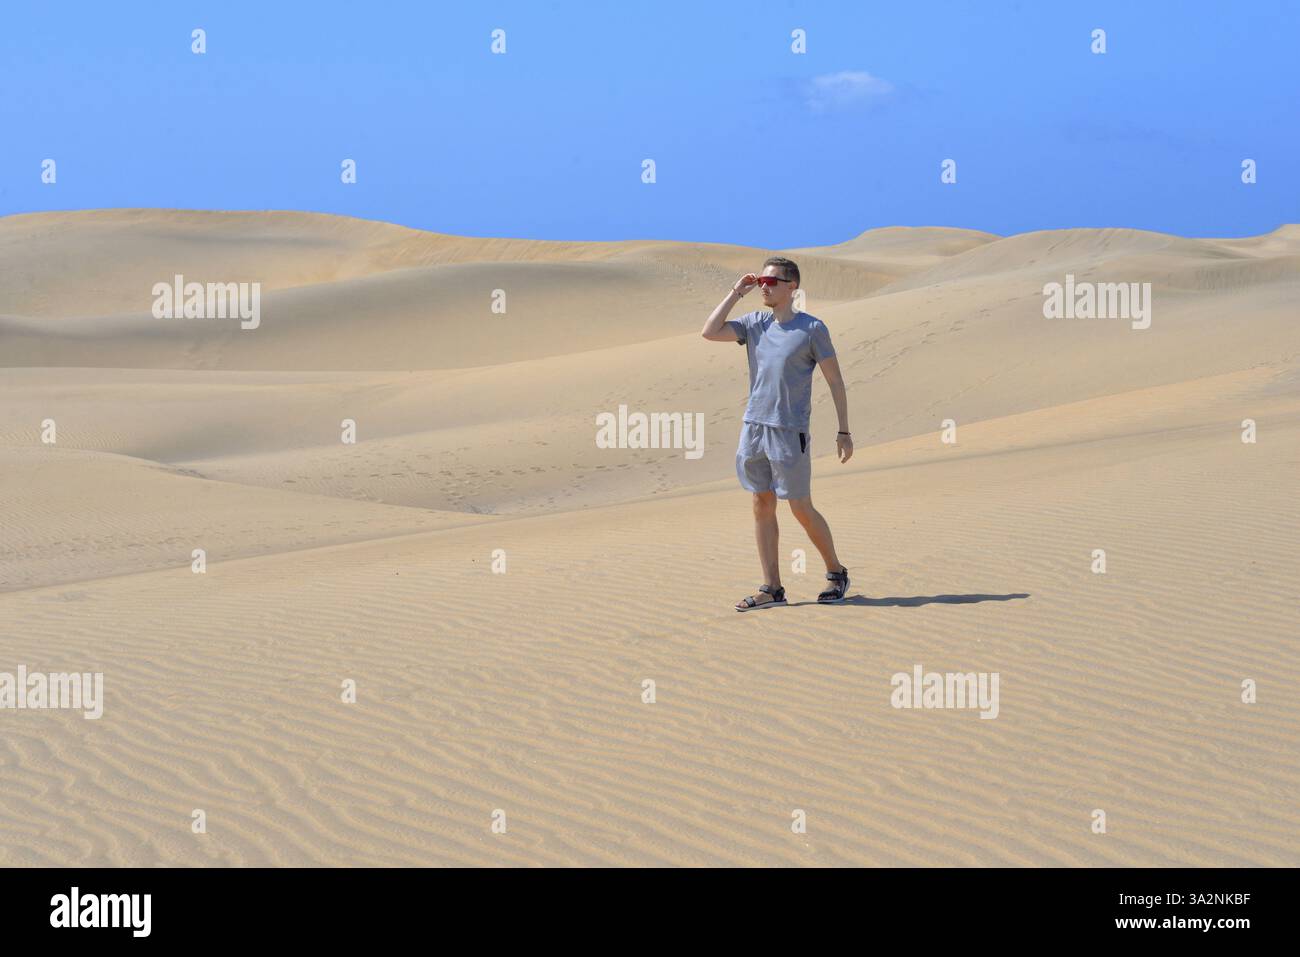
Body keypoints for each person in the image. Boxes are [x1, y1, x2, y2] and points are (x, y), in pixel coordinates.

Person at [700, 257, 852, 610]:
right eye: (762, 282)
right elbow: (709, 331)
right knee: (761, 503)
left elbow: (835, 381)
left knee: (800, 506)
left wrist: (844, 430)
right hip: (754, 427)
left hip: (789, 430)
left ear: (792, 287)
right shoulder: (754, 324)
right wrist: (737, 292)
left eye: (772, 282)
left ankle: (835, 571)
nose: (764, 287)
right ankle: (772, 588)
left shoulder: (812, 329)